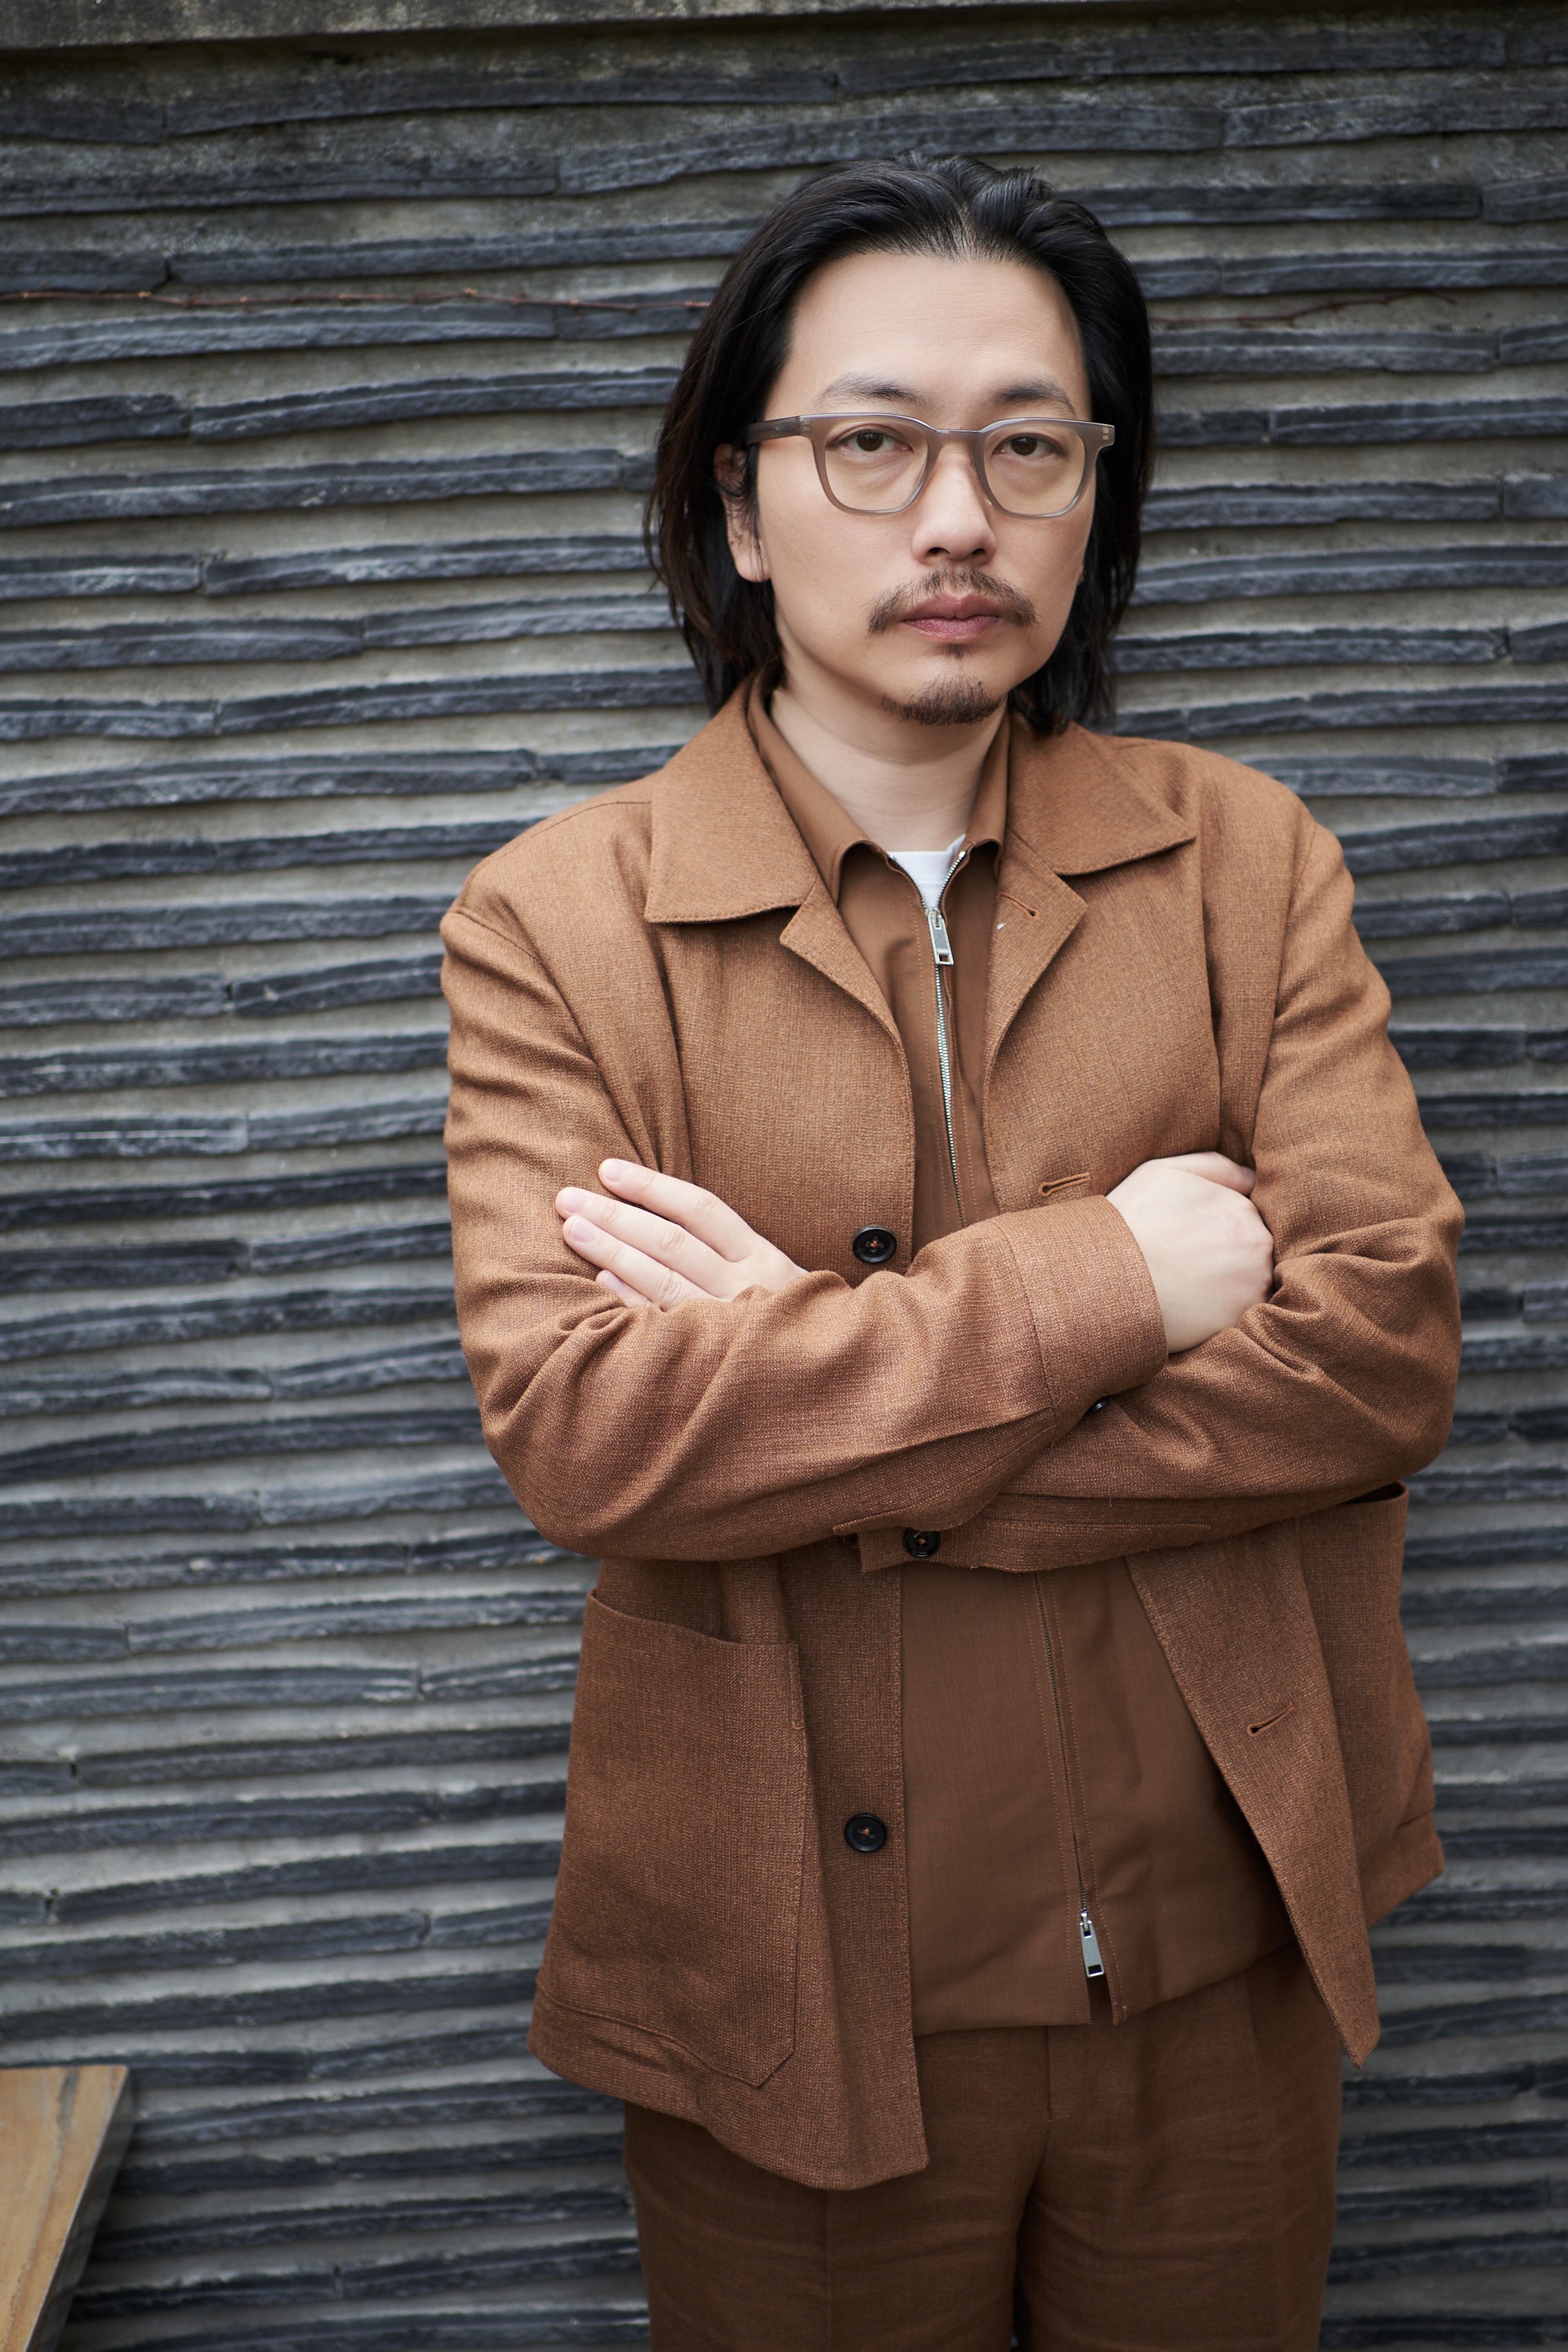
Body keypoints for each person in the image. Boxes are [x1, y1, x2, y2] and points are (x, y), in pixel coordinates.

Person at [441, 154, 1462, 2352]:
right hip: (783, 1993)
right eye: (872, 442)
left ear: (1098, 493)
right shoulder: (559, 921)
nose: (958, 518)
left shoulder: (1246, 863)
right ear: (740, 499)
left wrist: (813, 1396)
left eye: (1030, 447)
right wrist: (1115, 1284)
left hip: (1219, 1956)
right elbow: (589, 1435)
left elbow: (1381, 1354)